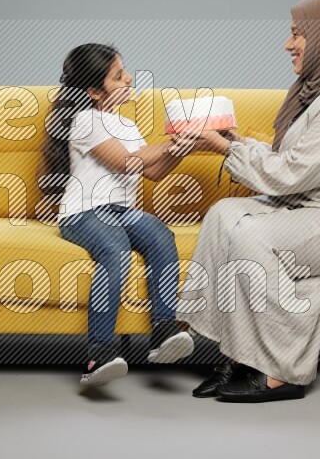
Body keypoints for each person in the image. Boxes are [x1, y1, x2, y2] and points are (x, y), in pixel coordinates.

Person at [172, 0, 320, 403]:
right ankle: (239, 354)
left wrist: (227, 150)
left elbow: (294, 173)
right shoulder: (316, 92)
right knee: (223, 214)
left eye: (297, 34)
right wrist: (231, 141)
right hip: (309, 206)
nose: (287, 44)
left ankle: (280, 372)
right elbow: (289, 161)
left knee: (256, 238)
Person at [44, 43, 196, 386]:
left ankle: (162, 331)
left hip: (120, 211)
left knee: (159, 234)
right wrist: (171, 144)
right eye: (118, 75)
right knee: (115, 248)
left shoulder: (126, 126)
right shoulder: (86, 120)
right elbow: (123, 162)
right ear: (95, 92)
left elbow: (151, 172)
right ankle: (98, 352)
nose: (129, 78)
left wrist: (181, 150)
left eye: (125, 70)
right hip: (83, 212)